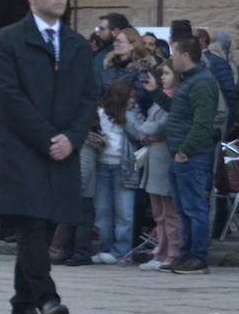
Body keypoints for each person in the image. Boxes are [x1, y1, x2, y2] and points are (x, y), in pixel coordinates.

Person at [0, 0, 94, 314]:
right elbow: (9, 97)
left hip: (63, 150)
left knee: (47, 224)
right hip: (24, 150)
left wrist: (72, 137)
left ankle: (22, 307)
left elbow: (87, 97)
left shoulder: (78, 44)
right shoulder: (8, 40)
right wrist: (48, 137)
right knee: (30, 223)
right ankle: (47, 296)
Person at [143, 37, 219, 273]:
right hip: (179, 154)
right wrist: (155, 93)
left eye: (174, 53)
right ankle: (185, 255)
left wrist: (185, 151)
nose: (171, 58)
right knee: (183, 208)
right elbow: (178, 111)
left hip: (191, 156)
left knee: (194, 208)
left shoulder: (202, 83)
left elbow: (202, 123)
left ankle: (198, 257)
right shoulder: (188, 81)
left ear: (186, 56)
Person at [130, 65, 181, 270]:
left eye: (168, 73)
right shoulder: (159, 100)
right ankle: (161, 249)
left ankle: (173, 252)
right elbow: (147, 126)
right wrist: (147, 130)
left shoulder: (175, 99)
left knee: (170, 212)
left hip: (164, 158)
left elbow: (160, 126)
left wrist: (147, 129)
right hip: (154, 158)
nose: (164, 78)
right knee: (158, 211)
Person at [92, 78, 141, 264]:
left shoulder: (131, 113)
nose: (132, 101)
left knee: (124, 212)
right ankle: (106, 248)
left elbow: (139, 133)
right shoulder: (100, 112)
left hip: (124, 166)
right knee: (103, 210)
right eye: (130, 97)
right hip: (102, 164)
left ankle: (121, 250)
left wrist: (128, 114)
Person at [93, 12, 130, 87]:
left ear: (115, 31)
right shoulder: (102, 53)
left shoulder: (124, 55)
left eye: (102, 29)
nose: (97, 33)